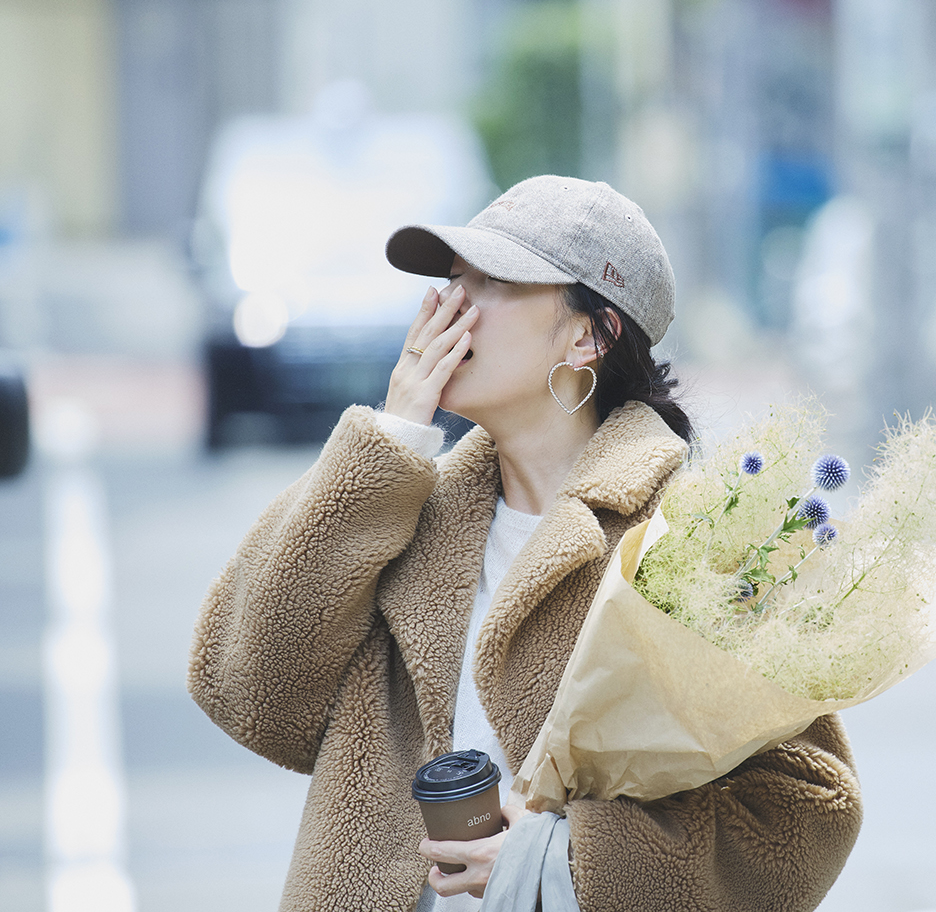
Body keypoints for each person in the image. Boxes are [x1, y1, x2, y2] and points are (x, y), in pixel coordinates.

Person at [188, 175, 862, 912]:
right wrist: (391, 437)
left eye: (493, 280)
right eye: (451, 279)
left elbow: (802, 814)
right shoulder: (400, 511)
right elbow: (247, 685)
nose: (449, 305)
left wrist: (560, 863)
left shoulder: (691, 539)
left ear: (589, 334)